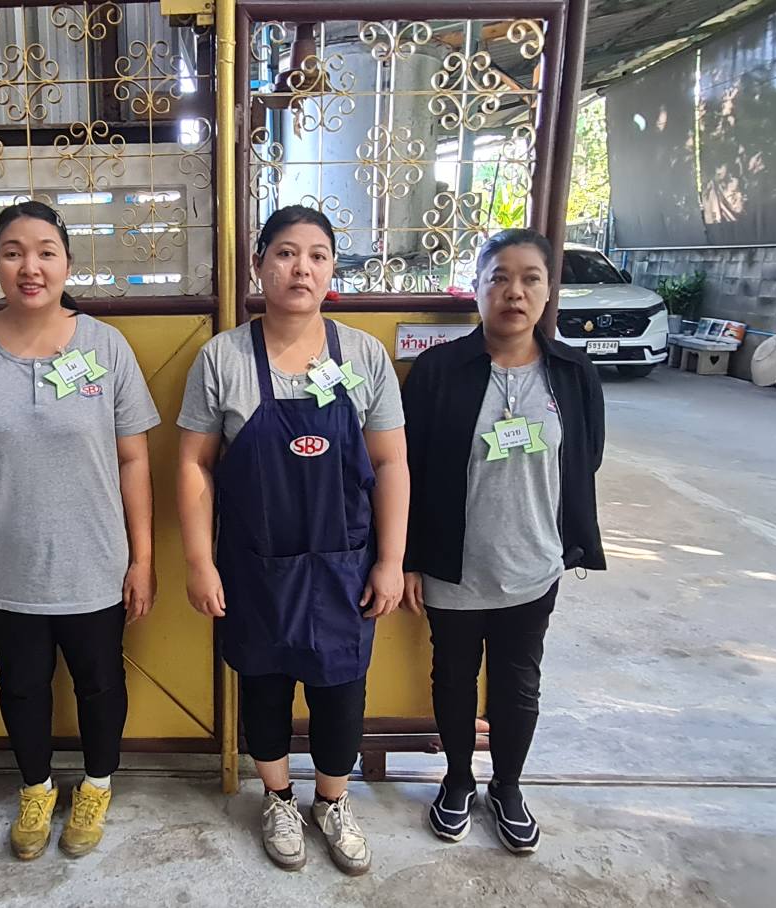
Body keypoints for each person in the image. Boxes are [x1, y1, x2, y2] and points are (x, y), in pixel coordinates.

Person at [0, 201, 160, 861]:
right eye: (14, 252)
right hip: (5, 567)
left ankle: (97, 786)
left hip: (96, 565)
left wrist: (142, 560)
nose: (31, 266)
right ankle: (36, 789)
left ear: (67, 264)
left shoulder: (105, 346)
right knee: (20, 686)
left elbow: (134, 460)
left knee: (100, 683)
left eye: (46, 252)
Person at [176, 205, 409, 876]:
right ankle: (277, 799)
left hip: (345, 563)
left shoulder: (362, 355)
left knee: (342, 690)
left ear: (332, 270)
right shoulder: (222, 358)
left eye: (316, 255)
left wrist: (391, 560)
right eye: (284, 253)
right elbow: (193, 464)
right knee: (264, 685)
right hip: (255, 563)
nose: (300, 268)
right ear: (258, 266)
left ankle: (332, 801)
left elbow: (391, 462)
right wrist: (199, 561)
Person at [402, 228, 606, 854]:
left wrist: (562, 539)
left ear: (547, 291)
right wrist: (408, 559)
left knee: (519, 682)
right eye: (499, 277)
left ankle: (508, 787)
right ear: (477, 288)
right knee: (453, 677)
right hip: (453, 565)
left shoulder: (572, 373)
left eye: (529, 279)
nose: (514, 292)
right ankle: (458, 781)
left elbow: (587, 458)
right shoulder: (438, 371)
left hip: (534, 563)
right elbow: (406, 469)